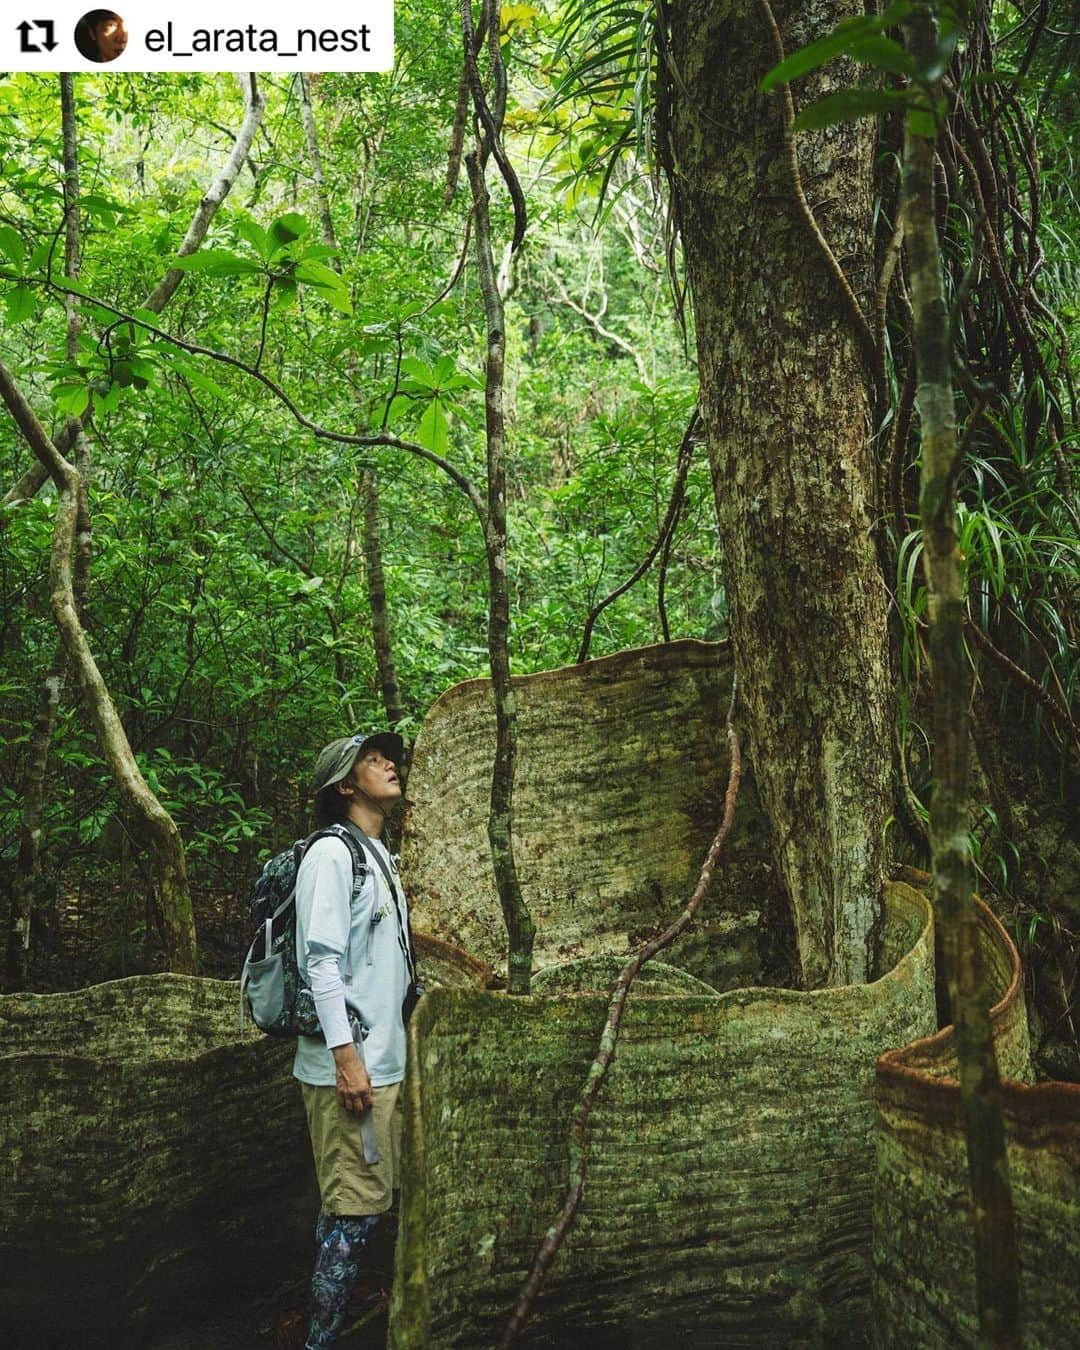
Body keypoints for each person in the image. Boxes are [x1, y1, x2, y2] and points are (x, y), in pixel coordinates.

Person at [294, 730, 413, 1350]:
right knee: (353, 1215)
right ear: (345, 785)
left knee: (356, 1206)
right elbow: (321, 963)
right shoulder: (331, 857)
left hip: (384, 1063)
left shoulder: (376, 854)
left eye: (387, 756)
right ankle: (319, 1342)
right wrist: (347, 1062)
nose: (389, 764)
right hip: (353, 1069)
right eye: (373, 759)